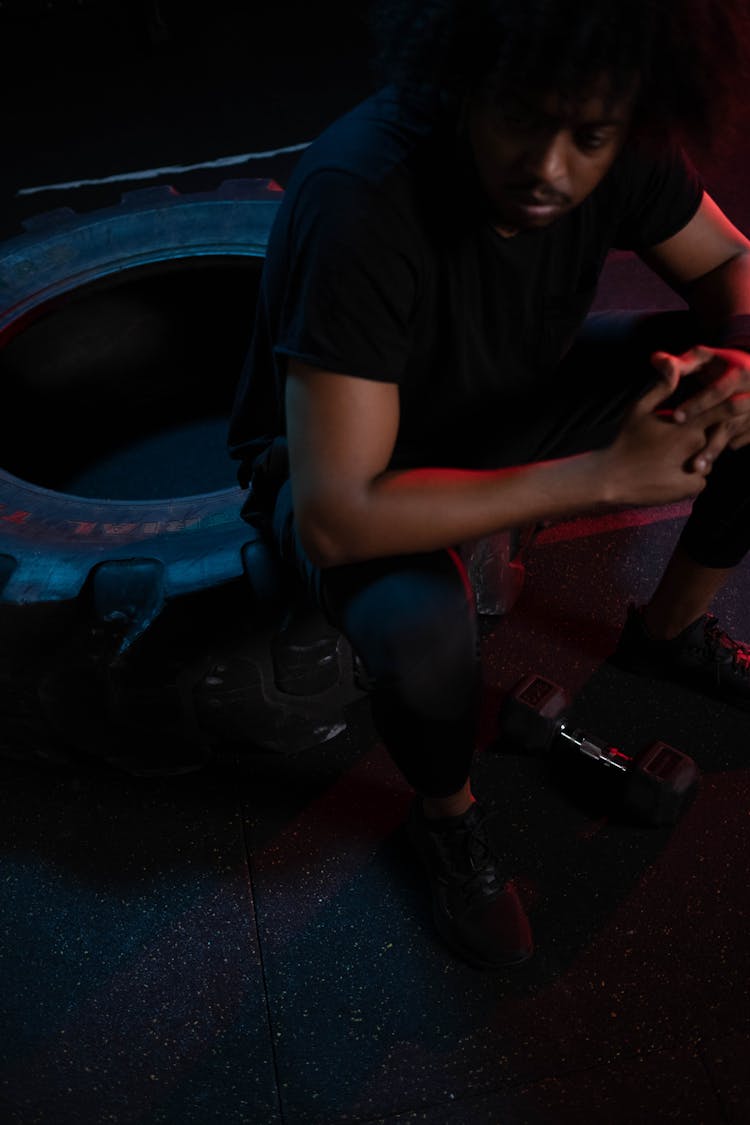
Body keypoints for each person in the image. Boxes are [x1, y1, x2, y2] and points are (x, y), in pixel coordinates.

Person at [228, 0, 750, 970]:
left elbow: (727, 258)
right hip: (342, 475)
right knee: (424, 628)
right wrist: (600, 480)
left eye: (586, 138)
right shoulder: (363, 197)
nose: (551, 168)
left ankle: (670, 634)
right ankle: (446, 820)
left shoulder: (615, 135)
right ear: (465, 83)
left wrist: (729, 368)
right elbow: (341, 517)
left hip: (505, 397)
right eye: (523, 118)